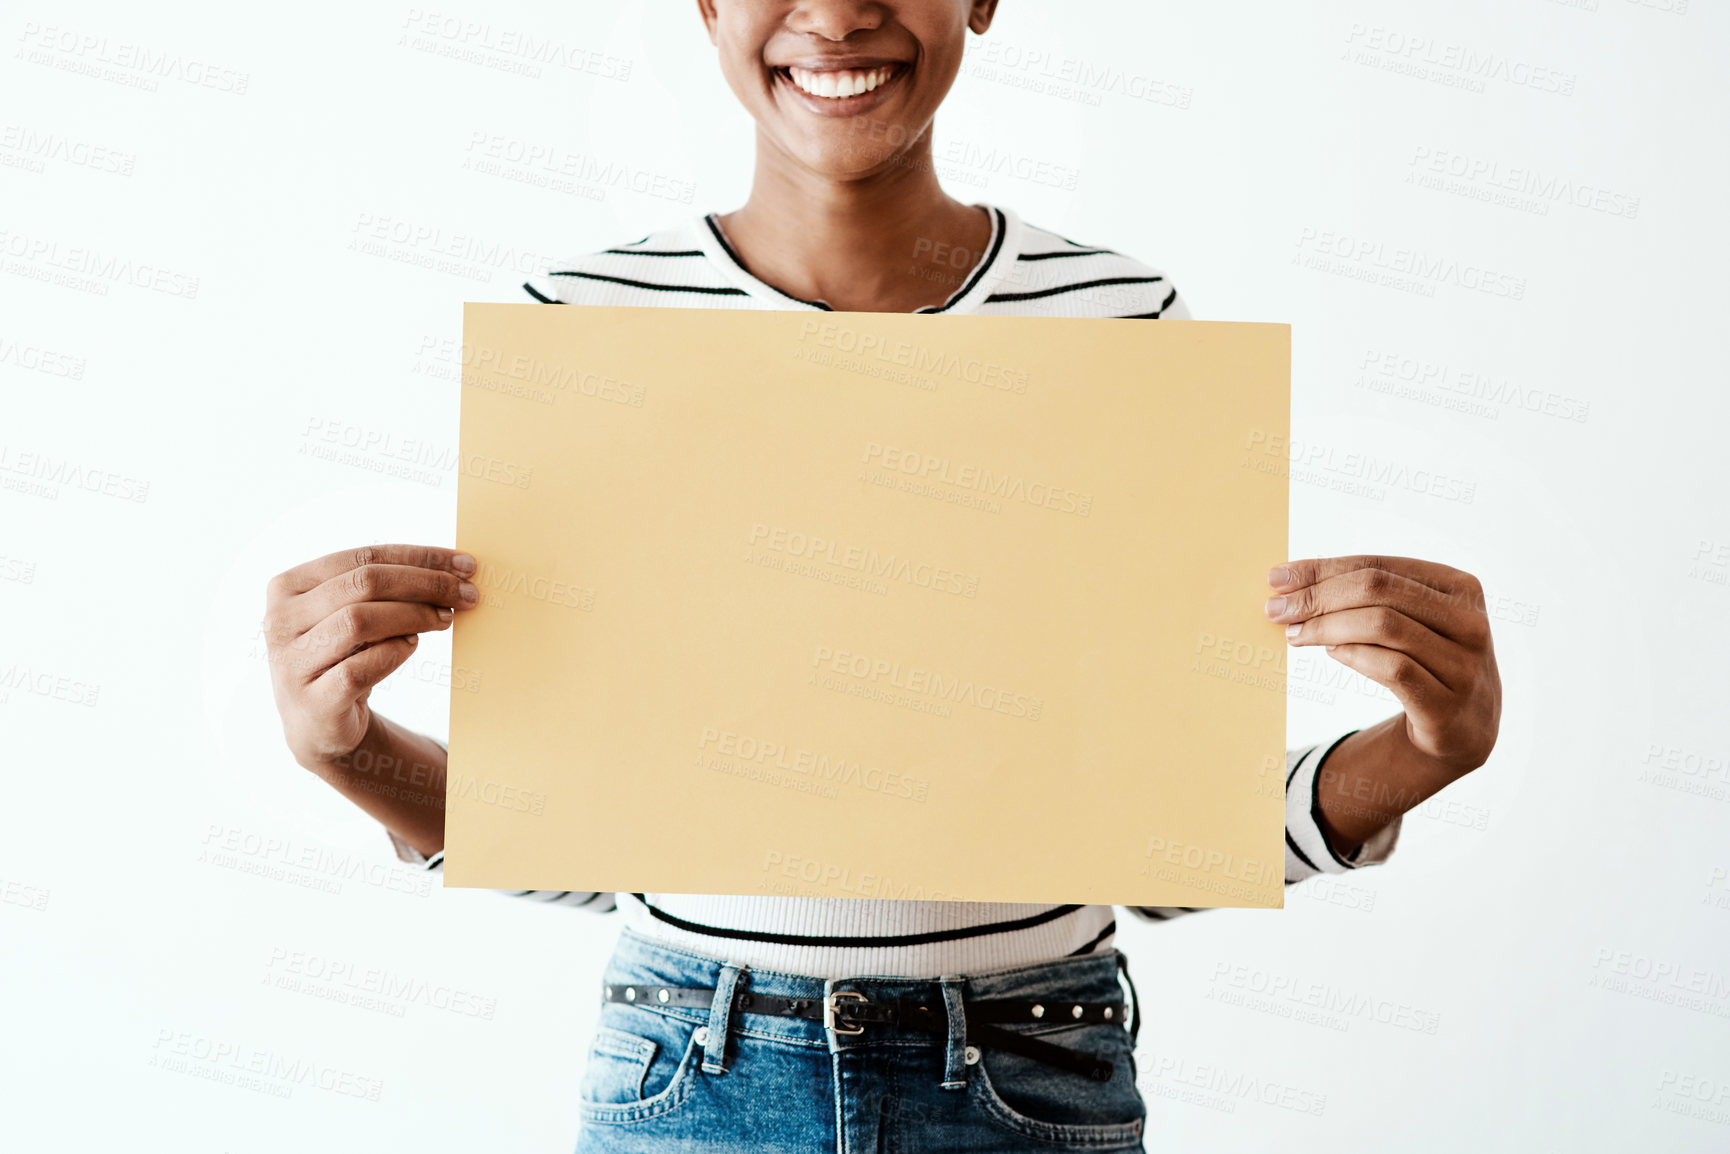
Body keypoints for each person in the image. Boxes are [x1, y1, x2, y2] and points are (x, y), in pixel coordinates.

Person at [262, 2, 1502, 1149]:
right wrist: (345, 749)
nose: (838, 11)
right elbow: (586, 837)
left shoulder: (1118, 326)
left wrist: (1427, 746)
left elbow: (1157, 838)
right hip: (690, 1062)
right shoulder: (587, 323)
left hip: (1027, 1066)